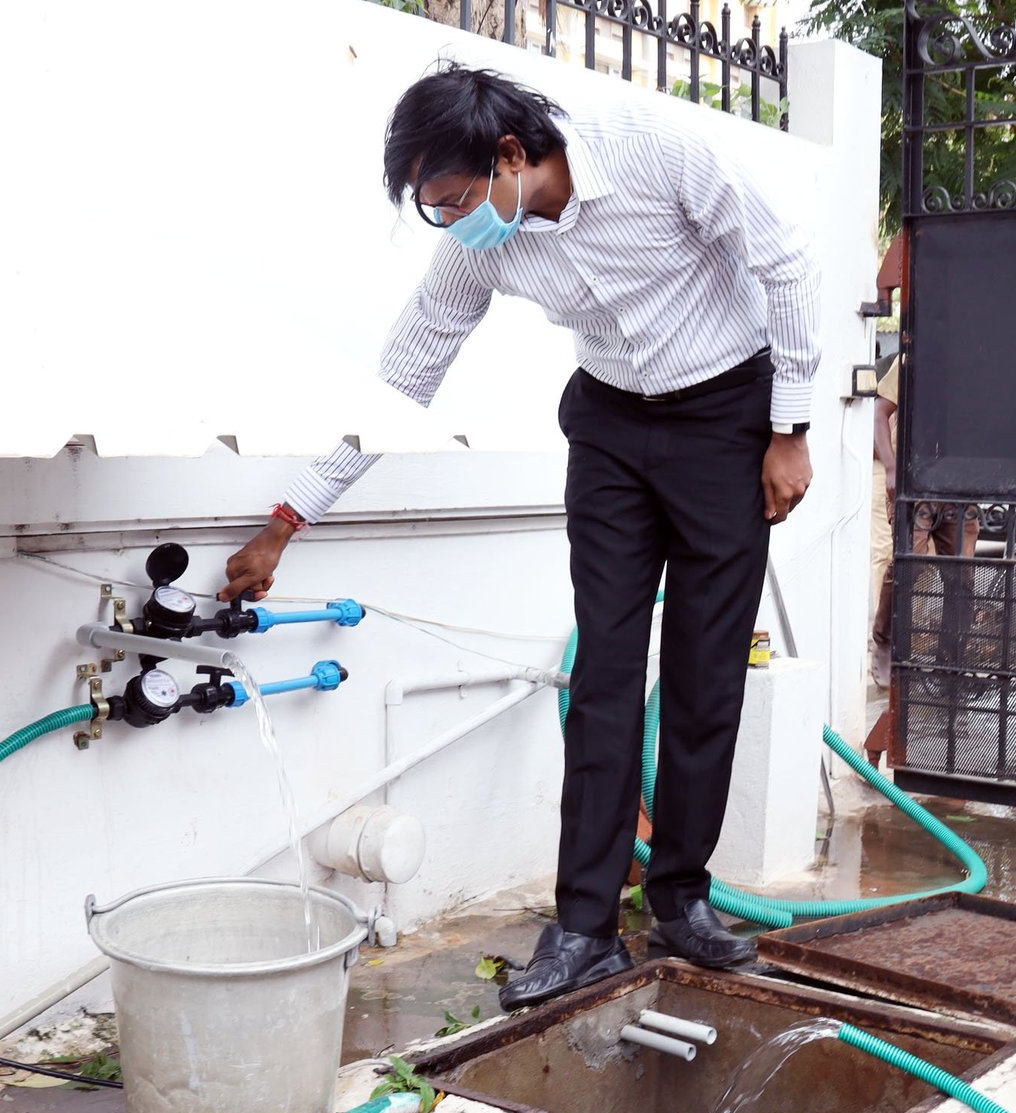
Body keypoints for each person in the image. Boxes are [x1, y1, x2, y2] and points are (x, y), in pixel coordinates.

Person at [220, 62, 818, 1011]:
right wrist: (287, 521)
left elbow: (782, 265)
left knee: (708, 671)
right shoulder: (480, 242)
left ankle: (682, 901)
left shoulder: (652, 149)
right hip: (612, 430)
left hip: (728, 420)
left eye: (453, 200)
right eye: (433, 210)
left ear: (510, 154)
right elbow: (403, 376)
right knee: (606, 675)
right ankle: (583, 925)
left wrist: (790, 428)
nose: (450, 224)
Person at [871, 354, 979, 688]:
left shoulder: (981, 359)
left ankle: (949, 661)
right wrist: (891, 467)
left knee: (961, 575)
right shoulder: (913, 353)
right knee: (909, 565)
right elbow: (879, 412)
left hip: (961, 480)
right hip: (916, 477)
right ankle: (885, 643)